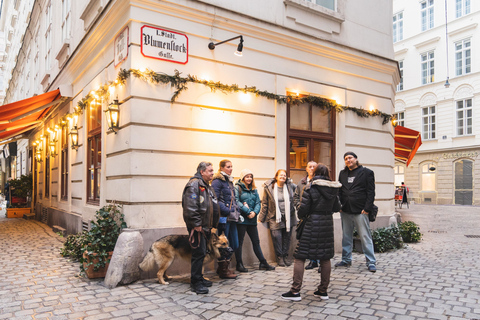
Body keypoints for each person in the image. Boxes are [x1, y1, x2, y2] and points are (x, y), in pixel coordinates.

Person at [282, 164, 341, 301]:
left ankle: (295, 291)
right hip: (327, 224)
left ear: (315, 173)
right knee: (325, 257)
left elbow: (303, 211)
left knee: (300, 256)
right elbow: (337, 207)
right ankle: (323, 291)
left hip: (311, 224)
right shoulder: (333, 189)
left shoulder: (310, 187)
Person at [182, 161, 220, 294]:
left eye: (212, 170)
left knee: (202, 252)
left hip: (205, 227)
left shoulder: (206, 185)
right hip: (198, 227)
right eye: (210, 171)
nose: (212, 173)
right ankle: (196, 282)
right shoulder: (194, 185)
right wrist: (196, 224)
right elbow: (190, 206)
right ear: (202, 172)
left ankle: (199, 277)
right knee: (198, 254)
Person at [335, 152, 377, 272]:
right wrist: (339, 205)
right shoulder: (342, 174)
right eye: (346, 159)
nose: (348, 160)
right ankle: (346, 260)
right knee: (346, 237)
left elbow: (371, 192)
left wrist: (367, 208)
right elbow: (340, 191)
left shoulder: (367, 172)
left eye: (350, 158)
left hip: (361, 211)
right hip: (345, 210)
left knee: (365, 236)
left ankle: (371, 262)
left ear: (356, 159)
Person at [234, 169, 275, 272]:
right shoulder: (237, 188)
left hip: (252, 220)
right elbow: (236, 201)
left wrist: (254, 213)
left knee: (256, 242)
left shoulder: (254, 190)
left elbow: (258, 203)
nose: (249, 179)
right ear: (243, 178)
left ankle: (263, 262)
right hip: (242, 220)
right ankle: (239, 264)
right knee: (239, 243)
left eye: (250, 177)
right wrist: (247, 211)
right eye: (247, 176)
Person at [258, 169, 296, 267]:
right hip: (275, 217)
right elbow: (265, 203)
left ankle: (285, 256)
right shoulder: (269, 187)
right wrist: (261, 217)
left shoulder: (290, 186)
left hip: (288, 217)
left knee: (287, 238)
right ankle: (280, 257)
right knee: (277, 238)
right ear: (276, 177)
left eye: (284, 175)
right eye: (281, 175)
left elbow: (299, 194)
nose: (283, 177)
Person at [211, 159, 238, 279]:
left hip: (232, 217)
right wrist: (227, 211)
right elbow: (215, 199)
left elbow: (233, 199)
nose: (231, 169)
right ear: (221, 168)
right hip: (223, 217)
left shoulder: (229, 181)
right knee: (223, 244)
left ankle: (223, 267)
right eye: (228, 167)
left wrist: (237, 211)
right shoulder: (217, 181)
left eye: (231, 166)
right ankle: (223, 270)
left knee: (234, 244)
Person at [293, 160, 320, 271]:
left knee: (318, 239)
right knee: (308, 239)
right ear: (306, 168)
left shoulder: (319, 181)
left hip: (317, 215)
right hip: (305, 216)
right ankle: (313, 261)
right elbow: (296, 197)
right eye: (310, 166)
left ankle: (320, 261)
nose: (312, 168)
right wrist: (300, 207)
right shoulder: (302, 182)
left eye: (314, 166)